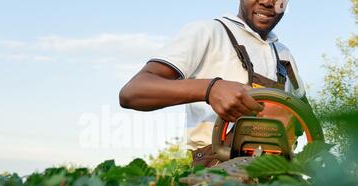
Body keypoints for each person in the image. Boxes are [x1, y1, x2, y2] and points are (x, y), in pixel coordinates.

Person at [119, 0, 308, 167]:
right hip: (218, 169)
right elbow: (133, 92)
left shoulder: (284, 54)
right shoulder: (208, 32)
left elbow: (305, 117)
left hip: (278, 171)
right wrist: (210, 89)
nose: (268, 2)